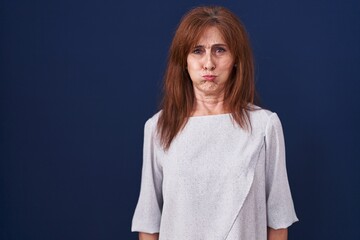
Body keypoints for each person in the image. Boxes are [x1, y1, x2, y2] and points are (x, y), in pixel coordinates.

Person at [131, 5, 298, 240]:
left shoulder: (264, 126)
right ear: (183, 61)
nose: (208, 63)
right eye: (197, 51)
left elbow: (279, 220)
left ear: (236, 59)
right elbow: (148, 223)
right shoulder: (159, 127)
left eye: (219, 50)